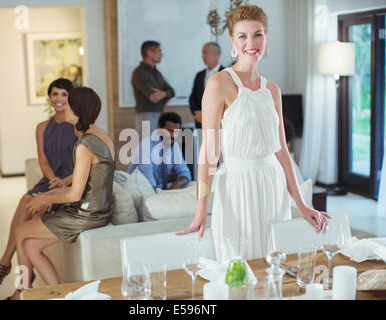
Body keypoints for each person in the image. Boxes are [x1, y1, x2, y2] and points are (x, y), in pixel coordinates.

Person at [176, 4, 330, 261]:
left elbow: (282, 152)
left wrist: (302, 205)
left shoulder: (273, 90)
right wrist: (201, 209)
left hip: (273, 187)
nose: (252, 42)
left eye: (258, 34)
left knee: (274, 267)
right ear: (232, 42)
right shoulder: (218, 84)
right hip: (237, 187)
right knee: (238, 269)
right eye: (243, 36)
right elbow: (209, 153)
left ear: (266, 39)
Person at [7, 87, 115, 300]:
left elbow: (75, 195)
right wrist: (56, 192)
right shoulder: (99, 135)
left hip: (87, 213)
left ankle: (23, 294)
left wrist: (44, 199)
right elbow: (90, 183)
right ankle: (60, 296)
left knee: (21, 231)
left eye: (67, 103)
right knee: (30, 244)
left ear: (75, 109)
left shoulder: (84, 145)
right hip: (97, 209)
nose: (62, 106)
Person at [0, 78, 76, 287]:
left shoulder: (77, 126)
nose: (58, 99)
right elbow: (42, 159)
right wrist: (53, 180)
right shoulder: (42, 127)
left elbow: (83, 166)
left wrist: (63, 182)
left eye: (64, 94)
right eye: (55, 94)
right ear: (49, 97)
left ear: (71, 98)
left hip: (70, 184)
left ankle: (6, 265)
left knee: (27, 207)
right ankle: (18, 277)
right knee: (27, 201)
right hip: (50, 181)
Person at [127, 112, 191, 190]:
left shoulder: (174, 145)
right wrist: (162, 197)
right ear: (159, 128)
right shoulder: (146, 144)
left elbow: (185, 173)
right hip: (138, 187)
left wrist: (176, 185)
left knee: (192, 186)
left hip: (159, 188)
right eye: (169, 131)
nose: (172, 135)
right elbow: (148, 177)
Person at [131, 40, 175, 138]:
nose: (161, 54)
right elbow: (153, 97)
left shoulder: (157, 73)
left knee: (156, 147)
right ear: (149, 52)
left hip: (159, 115)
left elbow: (172, 91)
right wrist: (165, 94)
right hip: (146, 116)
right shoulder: (139, 72)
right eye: (159, 51)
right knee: (147, 148)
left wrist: (163, 94)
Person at [189, 42, 225, 129]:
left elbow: (227, 101)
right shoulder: (199, 75)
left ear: (216, 53)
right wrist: (198, 113)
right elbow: (192, 99)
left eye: (205, 52)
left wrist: (207, 115)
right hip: (200, 123)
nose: (202, 56)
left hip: (219, 124)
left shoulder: (227, 74)